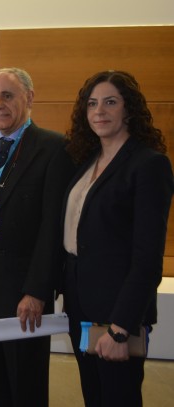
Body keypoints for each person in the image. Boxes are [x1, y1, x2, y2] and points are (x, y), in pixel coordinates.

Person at [0, 68, 75, 407]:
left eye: (7, 95)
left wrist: (36, 291)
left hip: (24, 296)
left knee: (24, 384)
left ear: (29, 98)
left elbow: (53, 228)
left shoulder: (54, 148)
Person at [62, 70, 173, 407]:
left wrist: (121, 327)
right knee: (94, 395)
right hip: (80, 308)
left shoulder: (148, 165)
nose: (100, 111)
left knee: (118, 398)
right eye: (92, 103)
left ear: (129, 109)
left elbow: (147, 260)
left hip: (116, 315)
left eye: (110, 102)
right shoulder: (87, 161)